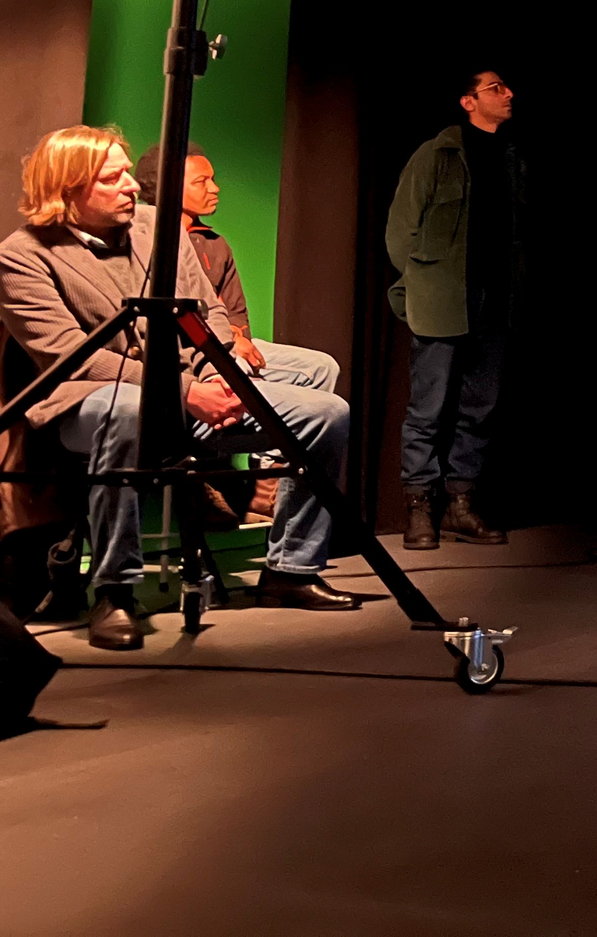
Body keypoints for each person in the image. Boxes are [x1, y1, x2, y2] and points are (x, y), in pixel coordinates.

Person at [0, 127, 360, 650]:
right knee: (125, 410)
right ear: (68, 189)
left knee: (327, 413)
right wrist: (187, 390)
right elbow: (70, 357)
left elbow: (207, 311)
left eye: (127, 172)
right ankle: (115, 590)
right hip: (88, 400)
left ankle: (290, 570)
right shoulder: (22, 255)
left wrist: (218, 372)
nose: (131, 185)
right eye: (112, 178)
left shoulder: (157, 228)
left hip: (191, 386)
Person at [385, 69, 521, 550]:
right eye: (495, 88)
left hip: (494, 301)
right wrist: (421, 284)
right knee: (428, 410)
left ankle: (460, 505)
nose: (507, 94)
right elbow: (400, 233)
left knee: (479, 408)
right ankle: (420, 506)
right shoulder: (436, 155)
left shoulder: (510, 158)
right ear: (468, 101)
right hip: (441, 300)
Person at [133, 141, 341, 393]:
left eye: (212, 179)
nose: (214, 188)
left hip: (226, 340)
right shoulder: (142, 239)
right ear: (170, 186)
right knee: (235, 367)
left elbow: (235, 311)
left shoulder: (216, 245)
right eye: (201, 182)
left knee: (322, 367)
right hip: (185, 346)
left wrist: (235, 336)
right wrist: (224, 343)